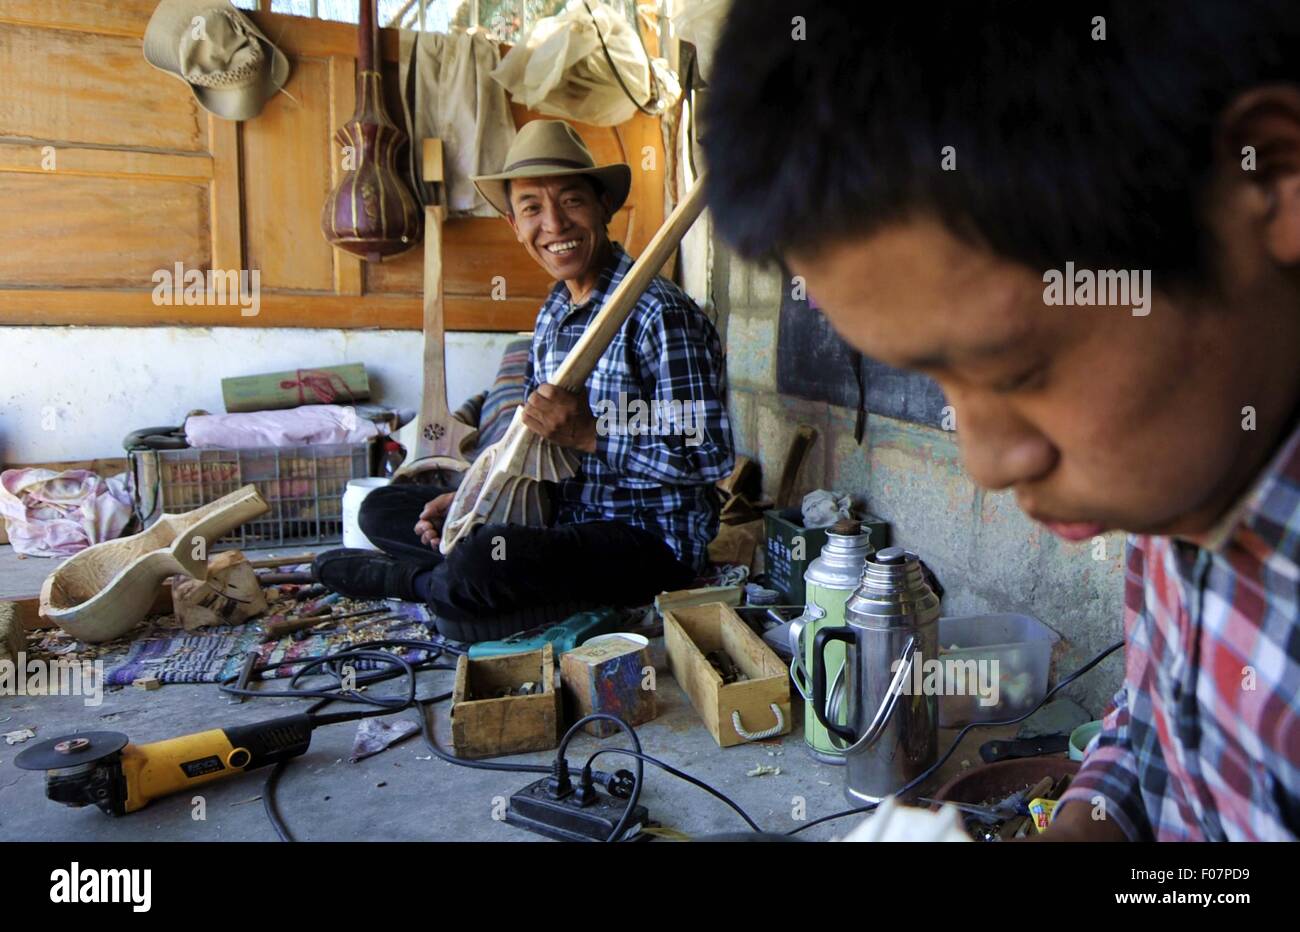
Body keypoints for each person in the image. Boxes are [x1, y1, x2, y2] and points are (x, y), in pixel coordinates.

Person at [701, 1, 1300, 840]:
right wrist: (1086, 822)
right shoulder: (1188, 474)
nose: (985, 461)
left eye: (1018, 369)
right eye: (936, 379)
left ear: (1267, 176)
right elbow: (1163, 726)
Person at [315, 120, 733, 641]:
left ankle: (421, 583)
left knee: (479, 567)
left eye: (572, 201)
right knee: (384, 508)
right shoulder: (555, 310)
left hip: (648, 542)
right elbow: (532, 453)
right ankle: (450, 582)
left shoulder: (659, 314)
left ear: (604, 207)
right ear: (514, 224)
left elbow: (709, 454)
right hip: (562, 521)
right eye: (532, 208)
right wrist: (474, 500)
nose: (554, 224)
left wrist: (592, 434)